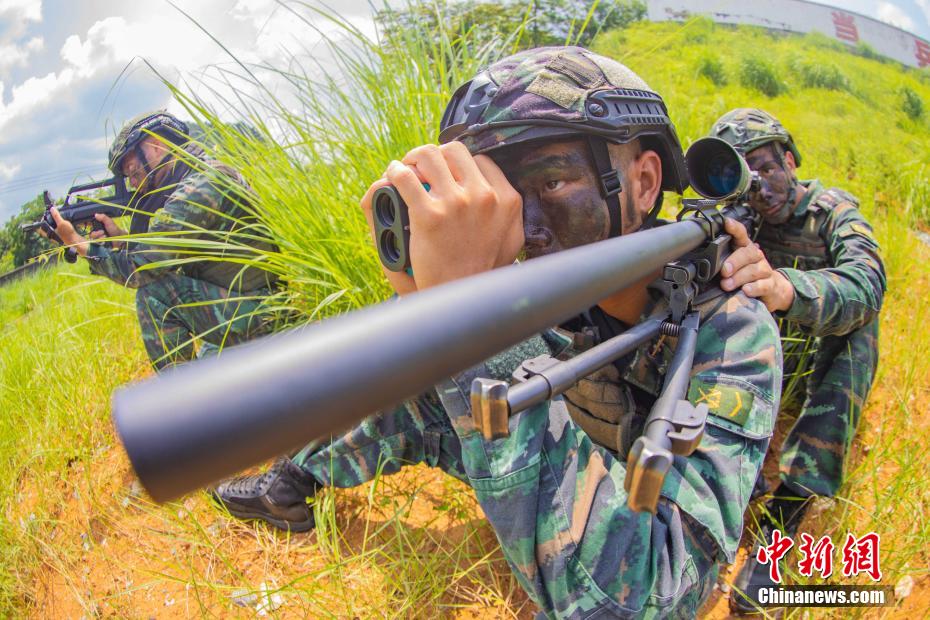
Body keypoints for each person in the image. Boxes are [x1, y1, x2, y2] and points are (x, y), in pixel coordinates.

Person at [215, 47, 783, 616]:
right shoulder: (536, 281)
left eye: (554, 182)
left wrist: (478, 323)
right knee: (422, 385)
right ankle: (293, 480)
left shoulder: (732, 326)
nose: (525, 227)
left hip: (637, 504)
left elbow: (663, 593)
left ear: (643, 182)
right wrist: (434, 311)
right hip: (570, 442)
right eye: (503, 194)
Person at [709, 108, 886, 613]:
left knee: (859, 329)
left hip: (814, 354)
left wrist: (790, 289)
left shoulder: (831, 211)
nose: (759, 186)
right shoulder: (743, 219)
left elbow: (867, 283)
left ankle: (787, 505)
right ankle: (731, 469)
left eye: (765, 167)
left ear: (788, 160)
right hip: (765, 355)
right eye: (742, 175)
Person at [45, 111, 278, 370]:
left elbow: (141, 271)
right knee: (210, 366)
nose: (135, 184)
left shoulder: (198, 188)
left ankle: (184, 405)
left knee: (154, 296)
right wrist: (123, 241)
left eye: (133, 171)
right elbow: (167, 252)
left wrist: (80, 244)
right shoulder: (202, 174)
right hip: (252, 305)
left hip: (265, 316)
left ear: (156, 146)